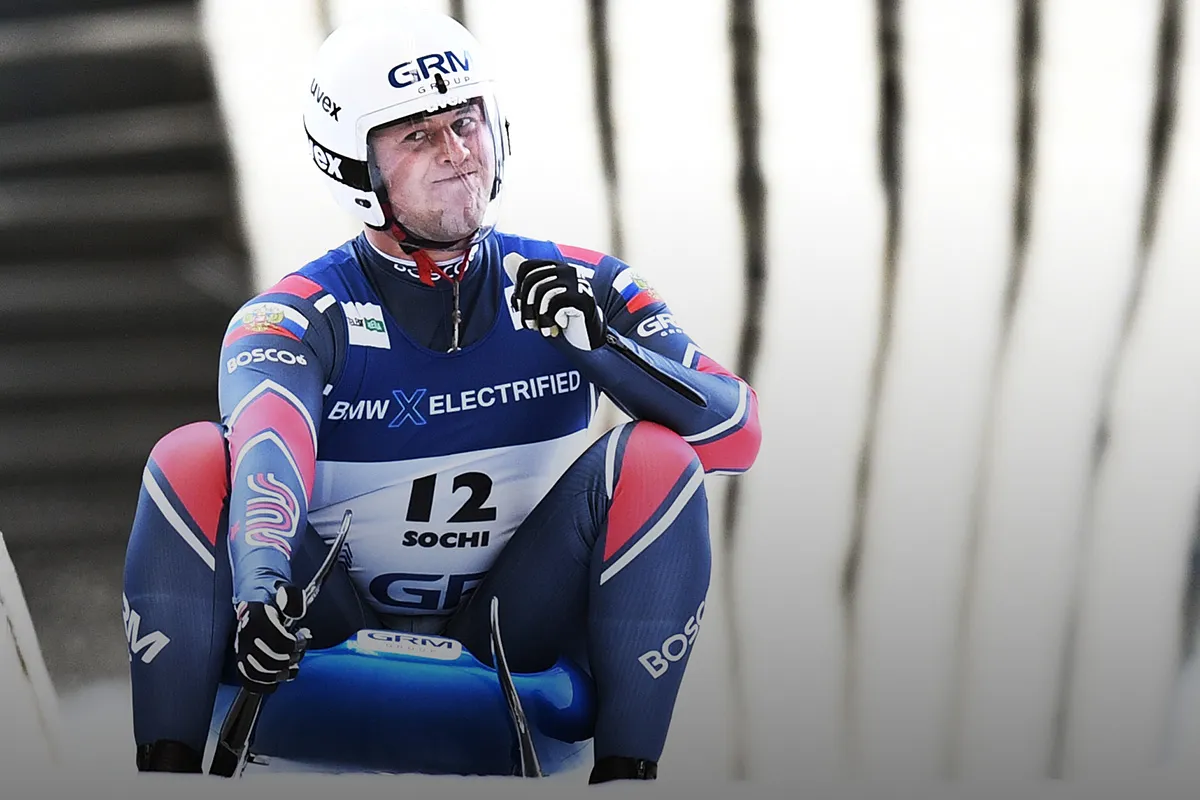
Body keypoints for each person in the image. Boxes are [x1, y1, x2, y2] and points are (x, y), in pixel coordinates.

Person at [122, 8, 761, 783]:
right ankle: (163, 774)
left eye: (465, 123)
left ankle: (630, 775)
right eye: (418, 136)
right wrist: (260, 592)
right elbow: (264, 448)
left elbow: (737, 433)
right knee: (191, 454)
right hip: (310, 637)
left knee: (660, 456)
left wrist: (603, 350)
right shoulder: (293, 315)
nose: (457, 153)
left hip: (513, 641)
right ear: (354, 166)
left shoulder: (583, 285)